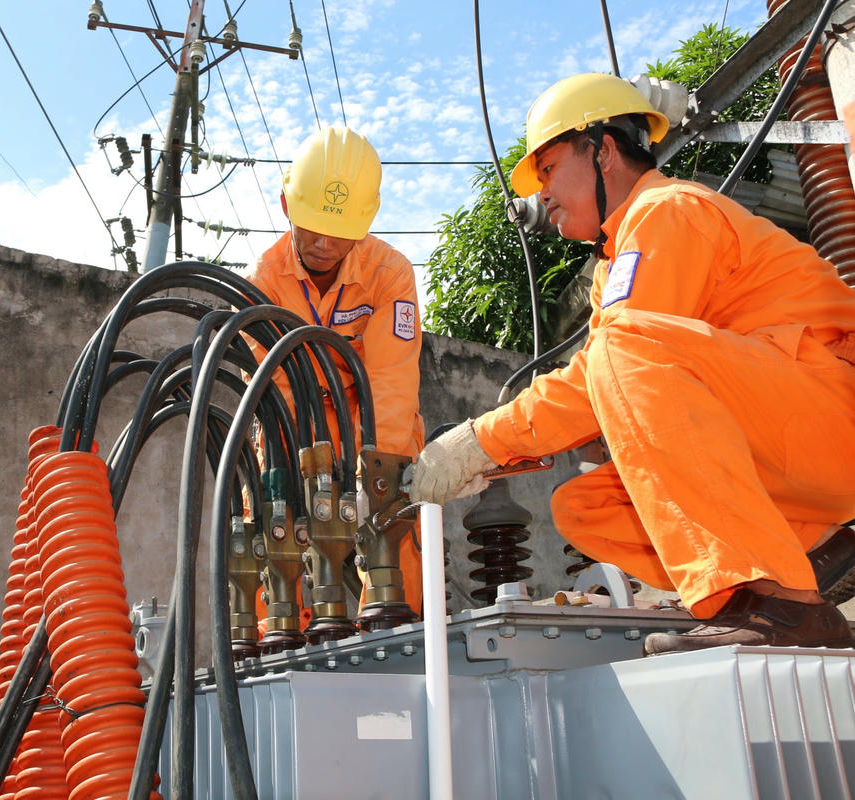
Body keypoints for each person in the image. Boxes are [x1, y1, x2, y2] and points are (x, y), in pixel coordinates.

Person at [411, 72, 855, 655]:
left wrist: (479, 441)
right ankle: (799, 563)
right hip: (787, 438)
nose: (541, 193)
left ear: (603, 150)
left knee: (625, 349)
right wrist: (509, 452)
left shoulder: (668, 211)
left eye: (547, 169)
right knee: (587, 505)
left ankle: (778, 599)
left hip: (830, 417)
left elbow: (616, 360)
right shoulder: (615, 263)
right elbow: (611, 387)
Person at [245, 124, 426, 615]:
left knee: (396, 500)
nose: (324, 242)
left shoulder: (389, 273)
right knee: (272, 513)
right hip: (294, 417)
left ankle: (394, 621)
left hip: (366, 414)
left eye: (340, 230)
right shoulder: (261, 283)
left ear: (364, 225)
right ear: (286, 206)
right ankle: (280, 635)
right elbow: (272, 390)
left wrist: (375, 478)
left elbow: (391, 382)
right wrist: (306, 475)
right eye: (312, 225)